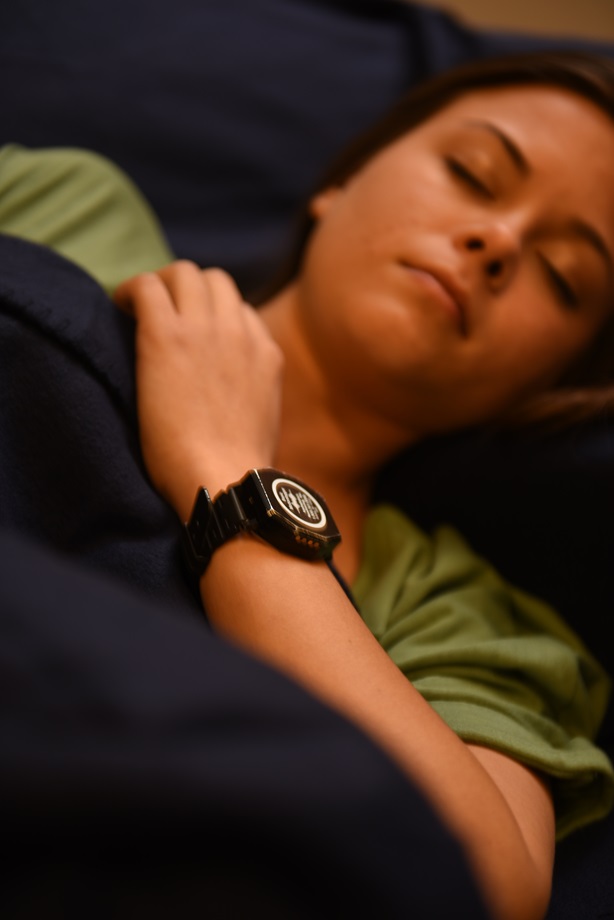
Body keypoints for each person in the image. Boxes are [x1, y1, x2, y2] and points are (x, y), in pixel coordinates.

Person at [1, 50, 614, 920]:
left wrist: (229, 470)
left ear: (551, 387)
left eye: (565, 278)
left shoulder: (466, 619)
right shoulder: (72, 209)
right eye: (473, 173)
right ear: (343, 180)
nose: (499, 241)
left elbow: (483, 883)